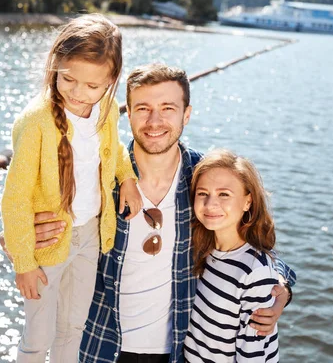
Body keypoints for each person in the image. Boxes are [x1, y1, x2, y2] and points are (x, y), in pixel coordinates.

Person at [22, 63, 296, 362]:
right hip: (100, 344)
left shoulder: (203, 180)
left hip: (177, 349)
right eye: (143, 108)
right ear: (128, 115)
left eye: (167, 108)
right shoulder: (97, 175)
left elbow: (250, 243)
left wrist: (281, 285)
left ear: (186, 115)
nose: (155, 121)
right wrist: (18, 239)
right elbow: (29, 208)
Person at [0, 14, 142, 363]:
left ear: (111, 79)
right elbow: (15, 196)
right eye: (68, 79)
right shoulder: (36, 122)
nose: (79, 93)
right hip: (45, 245)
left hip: (89, 236)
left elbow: (115, 149)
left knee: (72, 329)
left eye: (92, 86)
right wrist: (23, 261)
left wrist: (127, 177)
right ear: (55, 65)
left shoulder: (106, 110)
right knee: (38, 336)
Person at [184, 150, 280, 362]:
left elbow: (252, 355)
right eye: (202, 193)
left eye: (224, 194)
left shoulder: (255, 272)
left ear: (248, 201)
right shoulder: (201, 250)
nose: (210, 204)